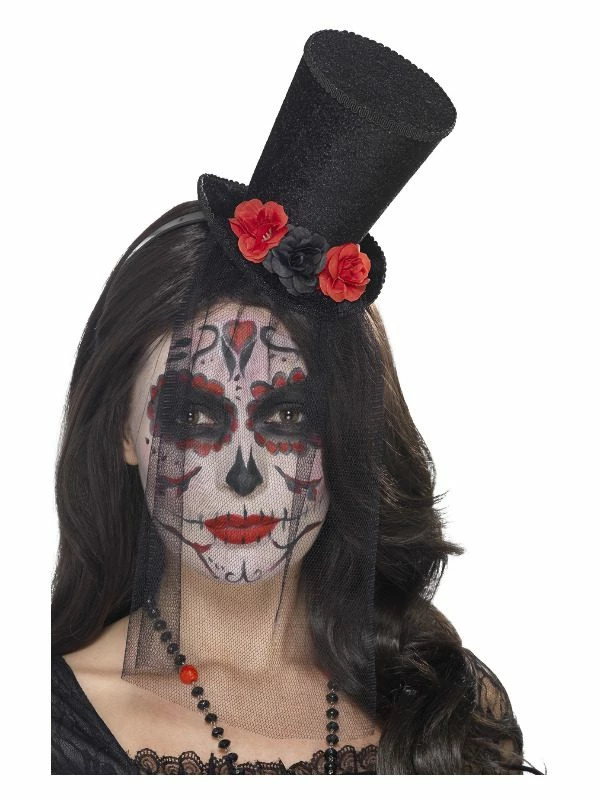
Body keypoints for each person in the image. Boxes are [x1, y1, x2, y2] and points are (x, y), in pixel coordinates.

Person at [51, 29, 543, 775]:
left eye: (286, 416)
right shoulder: (37, 725)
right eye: (194, 416)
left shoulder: (451, 705)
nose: (243, 472)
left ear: (341, 433)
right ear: (121, 429)